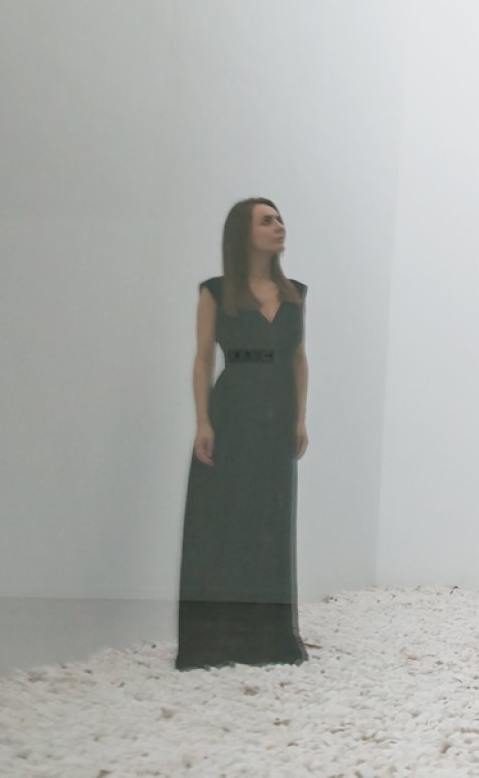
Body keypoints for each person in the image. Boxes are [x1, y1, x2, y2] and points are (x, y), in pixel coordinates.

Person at [176, 197, 310, 670]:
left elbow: (298, 358)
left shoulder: (295, 293)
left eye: (279, 219)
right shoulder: (216, 292)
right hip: (233, 408)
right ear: (243, 234)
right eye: (266, 220)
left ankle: (270, 639)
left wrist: (299, 419)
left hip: (278, 413)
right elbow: (202, 359)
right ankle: (213, 639)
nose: (279, 226)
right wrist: (203, 421)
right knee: (224, 518)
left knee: (270, 519)